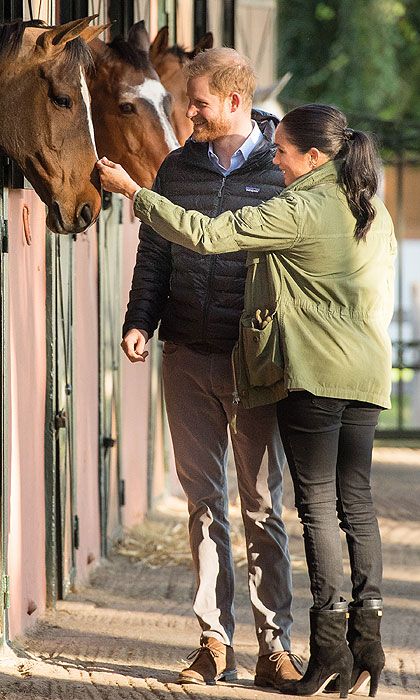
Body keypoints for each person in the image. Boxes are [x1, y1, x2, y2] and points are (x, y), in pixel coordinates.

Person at [97, 102, 396, 698]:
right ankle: (370, 642)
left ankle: (330, 649)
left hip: (313, 377)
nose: (276, 160)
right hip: (368, 374)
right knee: (356, 505)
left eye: (283, 152)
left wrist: (135, 190)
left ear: (315, 157)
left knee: (312, 509)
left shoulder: (302, 205)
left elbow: (209, 235)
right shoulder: (372, 206)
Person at [113, 47, 302, 687]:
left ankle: (274, 647)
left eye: (196, 102)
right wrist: (140, 320)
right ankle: (212, 642)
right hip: (185, 354)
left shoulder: (283, 171)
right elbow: (154, 253)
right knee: (203, 506)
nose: (185, 111)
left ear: (233, 101)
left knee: (262, 507)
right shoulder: (177, 166)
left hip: (254, 366)